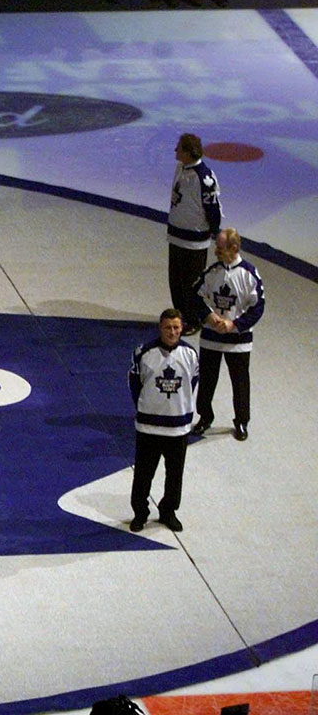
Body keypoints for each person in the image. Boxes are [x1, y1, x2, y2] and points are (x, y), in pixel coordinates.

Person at [128, 309, 199, 533]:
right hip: (149, 427)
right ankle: (140, 513)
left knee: (175, 474)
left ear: (182, 328)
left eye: (176, 327)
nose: (172, 332)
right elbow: (134, 384)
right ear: (160, 327)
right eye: (168, 327)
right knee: (143, 474)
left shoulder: (190, 354)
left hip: (178, 428)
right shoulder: (144, 352)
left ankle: (168, 511)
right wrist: (147, 407)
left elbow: (192, 382)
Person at [191, 228, 264, 441]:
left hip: (238, 341)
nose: (216, 251)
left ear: (234, 248)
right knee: (207, 379)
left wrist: (234, 324)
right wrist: (209, 316)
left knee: (240, 381)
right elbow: (195, 296)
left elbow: (258, 307)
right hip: (212, 337)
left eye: (221, 248)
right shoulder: (211, 272)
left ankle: (241, 421)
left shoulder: (249, 274)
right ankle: (205, 416)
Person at [167, 132, 222, 336]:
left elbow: (213, 208)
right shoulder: (180, 168)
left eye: (179, 148)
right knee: (176, 280)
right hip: (176, 236)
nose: (175, 151)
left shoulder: (204, 178)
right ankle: (179, 315)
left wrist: (214, 233)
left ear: (189, 152)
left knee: (191, 283)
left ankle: (193, 319)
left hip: (194, 241)